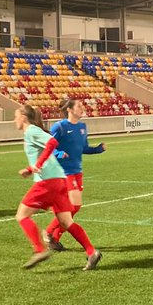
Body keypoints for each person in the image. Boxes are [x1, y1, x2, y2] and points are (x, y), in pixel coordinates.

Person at [14, 104, 101, 271]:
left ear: (23, 117)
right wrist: (32, 168)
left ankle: (40, 250)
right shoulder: (31, 132)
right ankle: (92, 252)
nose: (14, 120)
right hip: (59, 180)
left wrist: (36, 166)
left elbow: (52, 141)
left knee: (22, 216)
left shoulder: (31, 130)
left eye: (16, 116)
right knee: (66, 221)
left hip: (48, 182)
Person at [43, 97, 106, 252]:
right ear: (69, 110)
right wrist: (59, 153)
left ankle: (54, 237)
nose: (82, 108)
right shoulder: (60, 127)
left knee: (75, 207)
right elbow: (47, 147)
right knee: (72, 206)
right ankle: (49, 232)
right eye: (79, 106)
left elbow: (83, 148)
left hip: (77, 172)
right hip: (63, 173)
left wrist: (97, 149)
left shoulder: (83, 127)